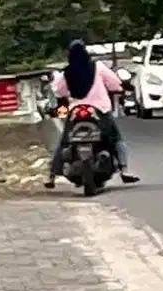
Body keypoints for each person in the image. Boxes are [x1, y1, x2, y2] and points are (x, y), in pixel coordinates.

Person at [45, 40, 140, 188]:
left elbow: (59, 91)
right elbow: (115, 83)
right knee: (116, 139)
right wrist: (118, 89)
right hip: (99, 109)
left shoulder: (67, 72)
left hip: (76, 111)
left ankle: (52, 175)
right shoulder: (98, 67)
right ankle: (124, 170)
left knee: (65, 141)